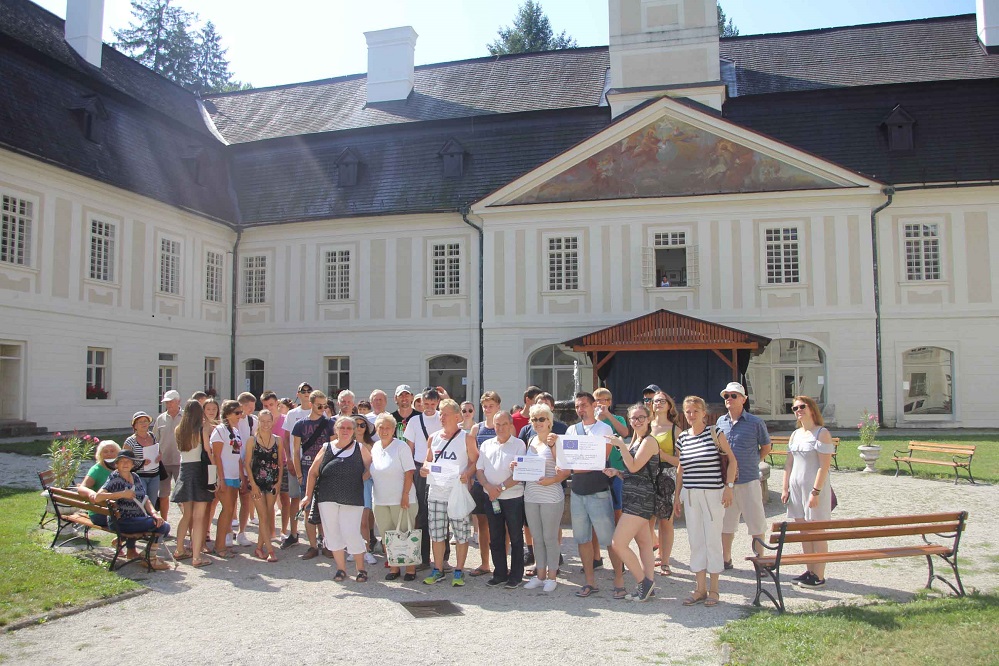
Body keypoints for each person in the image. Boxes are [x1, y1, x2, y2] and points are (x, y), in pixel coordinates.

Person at [673, 396, 737, 608]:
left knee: (712, 539)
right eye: (688, 411)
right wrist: (677, 495)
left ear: (704, 412)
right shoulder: (682, 438)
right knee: (695, 540)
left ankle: (715, 589)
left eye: (695, 411)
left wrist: (728, 488)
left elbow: (732, 460)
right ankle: (699, 588)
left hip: (713, 493)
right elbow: (681, 468)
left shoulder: (714, 433)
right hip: (691, 494)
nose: (691, 415)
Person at [566, 392, 624, 598]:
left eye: (584, 405)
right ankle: (590, 581)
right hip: (578, 491)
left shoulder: (604, 429)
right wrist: (577, 465)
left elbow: (601, 459)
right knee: (582, 539)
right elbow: (567, 461)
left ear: (593, 406)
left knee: (610, 540)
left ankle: (619, 580)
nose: (581, 409)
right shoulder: (571, 430)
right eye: (577, 406)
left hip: (599, 490)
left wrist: (576, 466)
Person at [302, 416, 372, 582]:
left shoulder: (359, 448)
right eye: (342, 428)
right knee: (332, 533)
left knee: (351, 533)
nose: (346, 431)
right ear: (336, 430)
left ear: (354, 431)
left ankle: (360, 569)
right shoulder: (326, 448)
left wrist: (357, 480)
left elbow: (371, 468)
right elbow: (313, 472)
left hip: (352, 497)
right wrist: (307, 495)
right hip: (327, 497)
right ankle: (341, 569)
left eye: (349, 428)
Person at [420, 399, 478, 587]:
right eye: (440, 414)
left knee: (461, 534)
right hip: (436, 493)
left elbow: (476, 461)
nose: (441, 417)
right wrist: (424, 469)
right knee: (436, 534)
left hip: (456, 494)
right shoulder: (434, 437)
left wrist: (467, 474)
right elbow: (427, 461)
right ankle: (438, 570)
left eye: (445, 414)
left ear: (456, 416)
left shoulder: (466, 438)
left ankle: (459, 571)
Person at [781, 395, 835, 588]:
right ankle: (809, 570)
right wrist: (785, 487)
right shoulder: (795, 434)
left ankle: (819, 575)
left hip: (814, 490)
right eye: (795, 408)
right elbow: (789, 463)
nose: (798, 411)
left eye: (802, 407)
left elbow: (824, 467)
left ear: (811, 408)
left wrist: (816, 491)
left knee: (817, 531)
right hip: (796, 489)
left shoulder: (822, 433)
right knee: (804, 532)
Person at [607, 404, 660, 601]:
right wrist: (617, 472)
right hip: (633, 496)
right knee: (644, 543)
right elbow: (633, 472)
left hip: (641, 499)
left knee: (618, 544)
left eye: (640, 418)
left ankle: (643, 583)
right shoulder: (636, 441)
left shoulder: (649, 442)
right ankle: (648, 587)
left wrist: (620, 445)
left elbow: (635, 466)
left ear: (648, 419)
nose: (636, 421)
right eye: (633, 418)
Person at [716, 382, 771, 569]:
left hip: (749, 479)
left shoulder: (756, 423)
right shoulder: (720, 422)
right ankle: (726, 558)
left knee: (756, 523)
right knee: (726, 523)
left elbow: (766, 447)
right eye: (727, 396)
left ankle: (760, 560)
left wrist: (752, 461)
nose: (729, 399)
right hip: (727, 482)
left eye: (734, 395)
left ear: (743, 399)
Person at [95, 449, 171, 571]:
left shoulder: (135, 476)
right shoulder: (115, 477)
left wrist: (154, 513)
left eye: (128, 461)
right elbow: (97, 497)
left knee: (161, 522)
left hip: (136, 518)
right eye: (122, 461)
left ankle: (143, 554)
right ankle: (149, 559)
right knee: (162, 527)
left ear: (132, 464)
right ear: (117, 464)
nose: (125, 464)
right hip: (121, 520)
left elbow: (145, 499)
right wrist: (121, 494)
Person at [519, 404, 567, 592]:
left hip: (551, 496)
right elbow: (527, 466)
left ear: (549, 421)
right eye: (534, 419)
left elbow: (564, 470)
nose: (537, 423)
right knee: (536, 538)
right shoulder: (530, 440)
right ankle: (540, 576)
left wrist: (552, 480)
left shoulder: (556, 440)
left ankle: (552, 577)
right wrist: (518, 465)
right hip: (531, 495)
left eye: (541, 419)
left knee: (549, 537)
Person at [476, 411, 527, 589]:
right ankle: (499, 573)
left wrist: (501, 488)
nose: (500, 428)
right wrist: (489, 488)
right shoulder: (486, 445)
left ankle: (516, 575)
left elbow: (520, 474)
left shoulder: (519, 445)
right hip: (490, 497)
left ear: (511, 424)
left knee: (515, 537)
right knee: (495, 537)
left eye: (504, 424)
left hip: (512, 497)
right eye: (497, 424)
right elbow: (479, 470)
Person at [369, 413, 418, 581]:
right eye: (380, 427)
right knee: (387, 535)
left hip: (402, 500)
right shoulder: (375, 447)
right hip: (380, 500)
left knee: (405, 533)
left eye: (388, 427)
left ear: (394, 429)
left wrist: (405, 495)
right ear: (376, 429)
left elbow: (409, 472)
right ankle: (394, 567)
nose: (384, 431)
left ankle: (410, 569)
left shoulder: (401, 446)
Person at [291, 390, 335, 559]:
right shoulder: (300, 425)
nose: (322, 408)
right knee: (308, 509)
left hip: (325, 471)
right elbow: (295, 451)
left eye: (325, 405)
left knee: (325, 509)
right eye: (319, 405)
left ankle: (325, 543)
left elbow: (332, 449)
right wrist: (299, 475)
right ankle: (311, 546)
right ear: (311, 404)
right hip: (306, 469)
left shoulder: (330, 423)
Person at [404, 387, 443, 570]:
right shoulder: (414, 421)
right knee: (422, 513)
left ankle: (443, 558)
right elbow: (409, 447)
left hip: (439, 469)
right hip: (420, 467)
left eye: (432, 404)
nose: (429, 407)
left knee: (441, 511)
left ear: (437, 403)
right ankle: (423, 556)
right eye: (426, 404)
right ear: (420, 403)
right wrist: (409, 471)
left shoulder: (442, 418)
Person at [171, 400, 213, 567]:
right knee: (199, 517)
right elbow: (208, 452)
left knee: (186, 515)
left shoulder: (178, 430)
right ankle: (196, 557)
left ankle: (179, 549)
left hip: (184, 471)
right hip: (199, 471)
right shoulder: (202, 429)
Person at [466, 391, 504, 577]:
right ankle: (484, 563)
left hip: (500, 484)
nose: (488, 409)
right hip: (480, 483)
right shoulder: (476, 429)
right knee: (482, 524)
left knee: (502, 525)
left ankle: (503, 563)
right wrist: (468, 478)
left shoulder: (505, 427)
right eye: (485, 406)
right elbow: (473, 458)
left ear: (498, 406)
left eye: (491, 406)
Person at [279, 382, 314, 549]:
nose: (306, 393)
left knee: (314, 499)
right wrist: (289, 459)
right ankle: (293, 533)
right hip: (296, 460)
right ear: (298, 394)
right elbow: (285, 438)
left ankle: (315, 536)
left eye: (309, 391)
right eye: (303, 391)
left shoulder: (318, 411)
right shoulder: (292, 414)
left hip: (314, 462)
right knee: (295, 498)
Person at [650, 390, 680, 576]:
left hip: (667, 476)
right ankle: (652, 554)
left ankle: (665, 561)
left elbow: (680, 461)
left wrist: (663, 455)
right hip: (647, 476)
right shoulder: (646, 425)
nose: (658, 403)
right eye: (655, 401)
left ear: (669, 405)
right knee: (647, 521)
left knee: (666, 522)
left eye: (662, 401)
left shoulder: (675, 430)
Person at [246, 409, 282, 562]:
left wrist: (279, 483)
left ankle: (259, 547)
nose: (266, 424)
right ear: (258, 422)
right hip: (257, 483)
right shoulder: (252, 441)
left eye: (268, 421)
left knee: (268, 516)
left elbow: (280, 463)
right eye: (263, 421)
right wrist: (252, 484)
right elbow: (247, 464)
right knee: (262, 516)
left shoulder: (278, 440)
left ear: (272, 421)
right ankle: (270, 550)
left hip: (272, 482)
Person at [209, 400, 244, 557]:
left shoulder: (235, 431)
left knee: (230, 511)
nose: (240, 416)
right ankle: (219, 546)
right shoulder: (219, 430)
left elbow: (237, 457)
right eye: (237, 413)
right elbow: (216, 456)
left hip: (234, 475)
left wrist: (242, 477)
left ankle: (223, 543)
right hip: (224, 476)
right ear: (228, 414)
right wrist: (220, 479)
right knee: (227, 509)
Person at [594, 388, 629, 528]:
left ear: (609, 402)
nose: (601, 403)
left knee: (617, 502)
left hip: (616, 465)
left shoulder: (618, 418)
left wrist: (608, 415)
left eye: (604, 400)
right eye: (598, 400)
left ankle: (618, 530)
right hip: (597, 466)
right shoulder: (592, 421)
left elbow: (624, 433)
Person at [77, 440, 121, 529]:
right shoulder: (96, 470)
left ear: (118, 453)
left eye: (112, 451)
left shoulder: (121, 467)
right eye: (105, 451)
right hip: (100, 513)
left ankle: (125, 539)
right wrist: (91, 493)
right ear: (100, 454)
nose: (109, 454)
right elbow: (81, 488)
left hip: (116, 510)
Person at [234, 392, 259, 547]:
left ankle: (241, 532)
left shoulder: (253, 421)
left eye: (253, 407)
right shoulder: (232, 420)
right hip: (231, 464)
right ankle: (228, 532)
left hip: (246, 464)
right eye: (248, 407)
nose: (251, 410)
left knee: (245, 498)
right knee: (229, 501)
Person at [153, 389, 183, 519]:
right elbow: (154, 439)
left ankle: (188, 525)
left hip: (180, 462)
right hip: (164, 462)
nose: (169, 405)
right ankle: (164, 522)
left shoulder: (185, 417)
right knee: (163, 494)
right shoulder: (161, 419)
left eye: (171, 402)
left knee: (182, 496)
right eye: (167, 403)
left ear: (178, 402)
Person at [353, 415, 379, 564]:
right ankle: (354, 549)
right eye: (356, 425)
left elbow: (372, 467)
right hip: (349, 486)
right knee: (352, 521)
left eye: (363, 425)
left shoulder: (370, 445)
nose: (359, 428)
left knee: (363, 521)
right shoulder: (346, 444)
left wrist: (362, 477)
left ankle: (367, 549)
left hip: (365, 485)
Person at [123, 412, 161, 511]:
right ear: (135, 425)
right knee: (141, 502)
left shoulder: (152, 436)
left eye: (146, 421)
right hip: (139, 477)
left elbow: (158, 450)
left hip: (154, 475)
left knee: (152, 504)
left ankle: (151, 524)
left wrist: (159, 456)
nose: (144, 423)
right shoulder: (130, 441)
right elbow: (124, 461)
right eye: (140, 422)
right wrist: (140, 462)